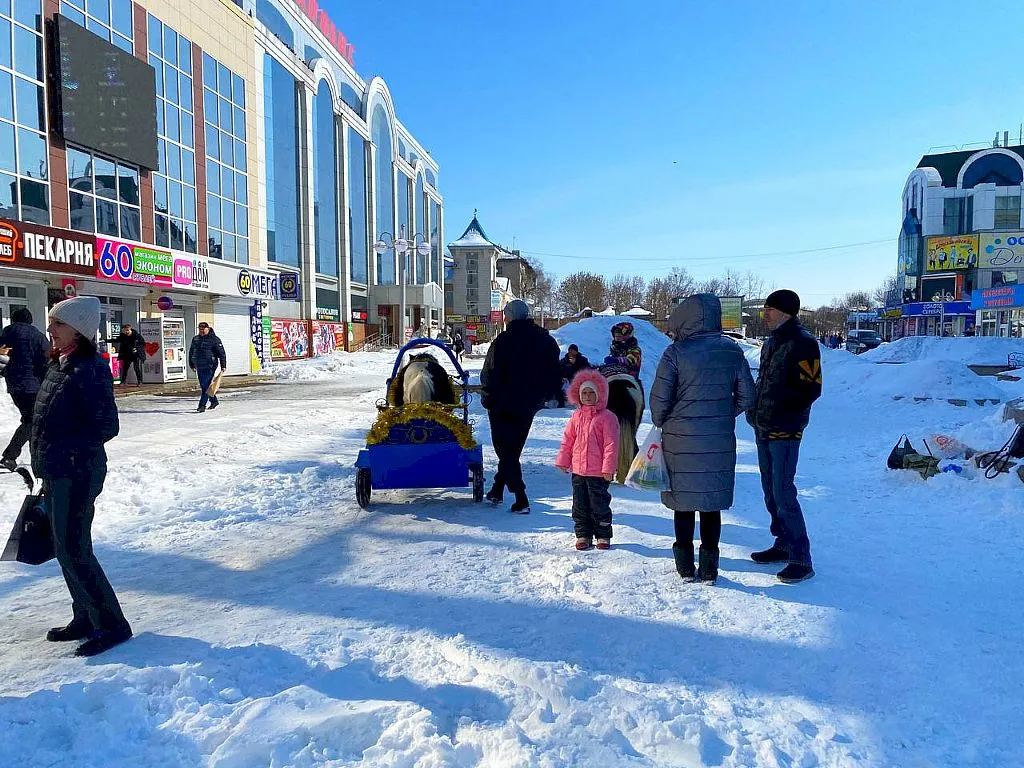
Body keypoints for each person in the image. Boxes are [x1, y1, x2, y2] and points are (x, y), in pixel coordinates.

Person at [32, 296, 131, 656]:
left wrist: (66, 450)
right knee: (64, 549)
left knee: (75, 549)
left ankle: (112, 625)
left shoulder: (89, 368)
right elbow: (45, 417)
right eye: (52, 323)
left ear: (79, 329)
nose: (51, 331)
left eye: (58, 324)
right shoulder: (60, 365)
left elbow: (107, 425)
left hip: (78, 472)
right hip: (57, 471)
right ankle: (87, 615)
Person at [650, 295, 756, 585]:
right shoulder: (732, 351)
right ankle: (709, 567)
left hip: (679, 441)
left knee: (682, 504)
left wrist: (669, 420)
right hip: (719, 439)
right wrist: (723, 414)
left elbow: (658, 407)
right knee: (711, 506)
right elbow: (748, 396)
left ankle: (684, 566)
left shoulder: (675, 353)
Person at [747, 289, 822, 584]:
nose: (764, 314)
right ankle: (782, 542)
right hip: (763, 426)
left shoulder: (803, 342)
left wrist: (782, 411)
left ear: (786, 312)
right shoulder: (772, 342)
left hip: (785, 429)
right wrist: (755, 410)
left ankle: (801, 557)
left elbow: (811, 388)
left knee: (783, 491)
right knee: (769, 490)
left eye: (770, 309)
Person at [480, 299, 561, 513]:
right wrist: (545, 395)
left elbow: (490, 372)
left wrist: (487, 396)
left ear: (510, 317)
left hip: (502, 403)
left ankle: (521, 497)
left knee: (505, 450)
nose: (504, 318)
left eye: (505, 314)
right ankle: (497, 489)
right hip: (529, 404)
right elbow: (555, 372)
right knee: (513, 449)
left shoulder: (503, 341)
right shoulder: (545, 341)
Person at [555, 369, 619, 550]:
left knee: (599, 504)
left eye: (592, 392)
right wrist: (563, 460)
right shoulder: (576, 417)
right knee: (580, 505)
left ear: (599, 394)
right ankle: (583, 534)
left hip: (598, 472)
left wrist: (608, 468)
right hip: (578, 471)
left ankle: (603, 535)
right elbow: (568, 440)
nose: (588, 396)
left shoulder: (607, 418)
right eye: (584, 393)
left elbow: (611, 445)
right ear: (578, 395)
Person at [0, 308, 49, 471]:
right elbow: (46, 358)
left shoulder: (5, 334)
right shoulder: (37, 335)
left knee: (31, 420)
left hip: (14, 385)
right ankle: (10, 456)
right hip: (33, 385)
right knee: (32, 420)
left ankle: (34, 455)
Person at [188, 322, 227, 413]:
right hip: (199, 365)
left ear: (208, 329)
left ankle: (202, 405)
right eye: (200, 329)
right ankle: (214, 401)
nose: (201, 331)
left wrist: (223, 365)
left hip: (210, 365)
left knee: (206, 386)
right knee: (204, 386)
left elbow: (222, 353)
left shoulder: (214, 339)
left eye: (203, 329)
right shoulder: (196, 339)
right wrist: (191, 364)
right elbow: (191, 352)